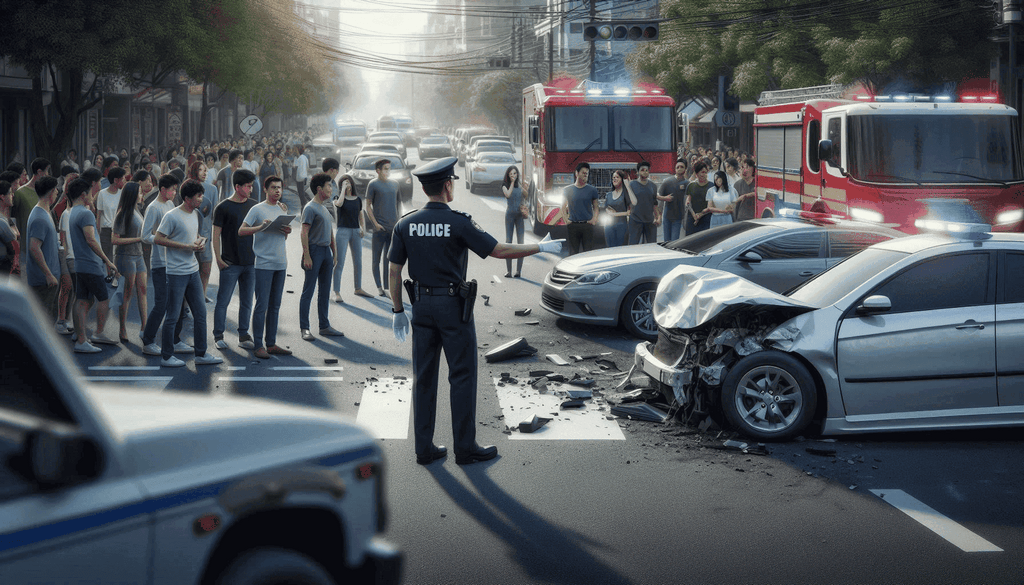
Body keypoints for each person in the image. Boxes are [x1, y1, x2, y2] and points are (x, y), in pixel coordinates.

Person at [387, 157, 564, 466]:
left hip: (422, 307)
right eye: (452, 182)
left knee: (424, 378)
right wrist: (540, 248)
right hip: (454, 308)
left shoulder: (406, 223)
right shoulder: (459, 221)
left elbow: (393, 271)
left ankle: (424, 449)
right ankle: (465, 449)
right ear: (446, 185)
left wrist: (398, 310)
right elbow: (498, 250)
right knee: (462, 375)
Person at [154, 180, 223, 367]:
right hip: (176, 273)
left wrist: (200, 242)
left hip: (193, 271)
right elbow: (158, 239)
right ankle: (167, 356)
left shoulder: (196, 214)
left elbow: (195, 236)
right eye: (198, 196)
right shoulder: (172, 216)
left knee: (200, 313)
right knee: (173, 316)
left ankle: (201, 354)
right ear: (187, 198)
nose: (202, 199)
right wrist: (186, 246)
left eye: (201, 195)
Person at [239, 175, 293, 359]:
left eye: (280, 188)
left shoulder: (282, 208)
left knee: (275, 305)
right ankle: (258, 345)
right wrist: (260, 227)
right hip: (263, 263)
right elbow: (242, 230)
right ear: (266, 189)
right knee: (262, 305)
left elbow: (282, 237)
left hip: (281, 262)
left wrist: (286, 231)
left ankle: (271, 344)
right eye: (274, 188)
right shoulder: (257, 209)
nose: (277, 191)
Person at [66, 175, 120, 352]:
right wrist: (107, 260)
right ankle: (97, 333)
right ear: (83, 194)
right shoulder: (86, 213)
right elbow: (91, 239)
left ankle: (81, 337)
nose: (93, 195)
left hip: (81, 264)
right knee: (103, 298)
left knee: (82, 300)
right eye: (90, 192)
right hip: (90, 264)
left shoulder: (73, 212)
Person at [140, 173, 190, 356]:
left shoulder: (170, 204)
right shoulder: (153, 208)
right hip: (160, 262)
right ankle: (148, 341)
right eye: (172, 190)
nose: (175, 193)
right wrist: (165, 241)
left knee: (176, 303)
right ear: (162, 190)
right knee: (161, 303)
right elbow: (145, 236)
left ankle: (175, 340)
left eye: (176, 190)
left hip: (174, 261)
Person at [212, 168, 257, 350]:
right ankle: (218, 335)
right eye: (248, 186)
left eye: (251, 186)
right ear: (237, 187)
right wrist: (218, 259)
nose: (251, 189)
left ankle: (244, 335)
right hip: (230, 262)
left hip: (251, 263)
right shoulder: (223, 207)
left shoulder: (254, 206)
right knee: (223, 301)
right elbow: (215, 236)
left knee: (247, 301)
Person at [299, 172, 343, 341]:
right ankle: (305, 328)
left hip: (326, 252)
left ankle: (324, 326)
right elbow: (304, 232)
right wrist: (307, 256)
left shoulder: (324, 208)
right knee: (308, 291)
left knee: (324, 292)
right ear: (319, 189)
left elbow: (330, 233)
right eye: (329, 186)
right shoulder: (310, 208)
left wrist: (335, 253)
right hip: (314, 251)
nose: (331, 189)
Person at [111, 182, 147, 343]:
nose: (142, 195)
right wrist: (139, 238)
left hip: (138, 256)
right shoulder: (122, 213)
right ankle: (122, 328)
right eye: (139, 192)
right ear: (132, 194)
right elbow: (114, 240)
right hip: (126, 257)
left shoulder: (137, 210)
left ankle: (145, 327)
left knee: (143, 291)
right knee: (127, 293)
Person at [26, 175, 62, 322]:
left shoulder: (44, 211)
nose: (57, 193)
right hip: (44, 281)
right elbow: (34, 247)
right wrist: (48, 274)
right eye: (56, 191)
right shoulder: (40, 217)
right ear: (51, 191)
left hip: (49, 278)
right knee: (44, 321)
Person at [332, 173, 371, 302]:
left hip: (355, 231)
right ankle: (337, 292)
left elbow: (361, 215)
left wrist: (363, 228)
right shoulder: (338, 197)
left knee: (358, 261)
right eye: (344, 182)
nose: (347, 184)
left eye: (348, 182)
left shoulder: (358, 199)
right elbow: (339, 204)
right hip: (343, 231)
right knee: (339, 262)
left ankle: (358, 288)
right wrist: (343, 189)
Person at [365, 158, 399, 297]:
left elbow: (399, 205)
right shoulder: (373, 184)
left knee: (388, 259)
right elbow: (367, 206)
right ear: (378, 171)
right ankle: (379, 286)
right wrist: (375, 224)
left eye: (389, 168)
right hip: (379, 228)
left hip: (393, 228)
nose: (388, 171)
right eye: (385, 169)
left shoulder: (395, 184)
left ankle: (387, 287)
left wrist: (399, 223)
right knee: (376, 259)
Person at [189, 162, 216, 302]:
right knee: (189, 270)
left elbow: (214, 214)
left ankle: (202, 295)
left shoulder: (212, 189)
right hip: (188, 233)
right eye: (201, 170)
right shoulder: (187, 186)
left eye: (206, 170)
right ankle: (187, 302)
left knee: (205, 268)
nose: (204, 173)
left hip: (205, 233)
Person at [560, 162, 599, 255]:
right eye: (583, 172)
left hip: (587, 226)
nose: (586, 175)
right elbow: (562, 206)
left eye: (587, 173)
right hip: (573, 225)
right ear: (577, 173)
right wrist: (566, 220)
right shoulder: (567, 190)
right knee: (573, 253)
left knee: (588, 253)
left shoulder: (592, 190)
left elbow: (596, 207)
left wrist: (594, 220)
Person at [626, 161, 660, 245]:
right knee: (633, 246)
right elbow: (627, 201)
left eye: (646, 170)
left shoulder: (653, 186)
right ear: (637, 172)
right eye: (642, 170)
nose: (645, 172)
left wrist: (658, 217)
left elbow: (655, 204)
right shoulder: (632, 185)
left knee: (651, 246)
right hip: (635, 221)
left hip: (650, 222)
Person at [501, 165, 526, 276]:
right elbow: (508, 194)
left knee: (521, 243)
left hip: (519, 215)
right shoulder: (504, 185)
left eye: (515, 173)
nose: (513, 176)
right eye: (511, 174)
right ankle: (509, 271)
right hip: (510, 216)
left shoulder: (520, 185)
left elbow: (526, 196)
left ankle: (518, 271)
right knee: (508, 242)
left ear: (517, 174)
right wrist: (512, 183)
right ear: (508, 175)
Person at [657, 159, 689, 242]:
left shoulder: (687, 183)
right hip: (667, 216)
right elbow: (659, 197)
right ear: (675, 169)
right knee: (666, 241)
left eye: (682, 167)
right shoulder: (667, 182)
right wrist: (659, 215)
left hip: (678, 217)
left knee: (675, 241)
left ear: (685, 169)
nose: (679, 168)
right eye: (677, 167)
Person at [603, 170, 631, 247]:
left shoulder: (626, 194)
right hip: (608, 226)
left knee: (620, 248)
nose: (614, 179)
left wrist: (614, 214)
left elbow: (629, 212)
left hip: (622, 225)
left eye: (617, 177)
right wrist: (609, 211)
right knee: (609, 248)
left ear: (622, 179)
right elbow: (606, 208)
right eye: (613, 178)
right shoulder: (608, 195)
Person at [684, 161, 712, 235]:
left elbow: (713, 204)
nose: (704, 174)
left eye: (706, 172)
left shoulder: (712, 186)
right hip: (692, 219)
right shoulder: (691, 186)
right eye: (702, 172)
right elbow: (688, 202)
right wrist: (694, 215)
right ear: (697, 173)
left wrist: (701, 214)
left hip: (706, 218)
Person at [733, 157, 757, 222]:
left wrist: (746, 195)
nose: (744, 170)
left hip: (755, 218)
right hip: (741, 218)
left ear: (753, 169)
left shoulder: (757, 184)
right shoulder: (737, 184)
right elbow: (734, 204)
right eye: (742, 167)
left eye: (747, 167)